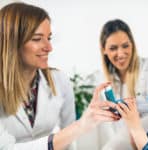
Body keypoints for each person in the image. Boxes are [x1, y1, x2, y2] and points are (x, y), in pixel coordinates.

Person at [0, 2, 119, 150]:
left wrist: (82, 125)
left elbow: (68, 140)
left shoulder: (59, 80)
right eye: (37, 39)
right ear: (12, 43)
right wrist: (80, 126)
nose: (49, 48)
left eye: (48, 38)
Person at [86, 19, 148, 149]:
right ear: (104, 49)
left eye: (125, 46)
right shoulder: (101, 82)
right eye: (113, 48)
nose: (120, 53)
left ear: (133, 44)